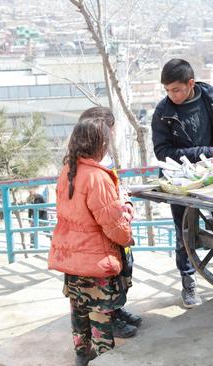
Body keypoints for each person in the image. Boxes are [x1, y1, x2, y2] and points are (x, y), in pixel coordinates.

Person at [48, 116, 135, 366]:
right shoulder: (98, 178)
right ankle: (103, 359)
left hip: (70, 257)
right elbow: (112, 225)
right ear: (100, 144)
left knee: (78, 309)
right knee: (100, 314)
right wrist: (127, 228)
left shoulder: (67, 171)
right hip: (95, 260)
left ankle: (81, 354)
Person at [151, 59, 213, 308]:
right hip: (181, 180)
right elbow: (162, 152)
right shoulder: (163, 112)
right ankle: (188, 281)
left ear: (190, 84)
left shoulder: (211, 99)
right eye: (167, 90)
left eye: (175, 89)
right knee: (185, 231)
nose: (171, 95)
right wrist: (205, 151)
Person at [77, 106, 142, 338]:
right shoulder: (86, 166)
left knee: (123, 270)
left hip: (115, 221)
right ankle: (109, 320)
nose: (112, 135)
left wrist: (124, 202)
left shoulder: (103, 157)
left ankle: (117, 309)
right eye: (110, 130)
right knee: (105, 281)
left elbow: (114, 186)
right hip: (101, 232)